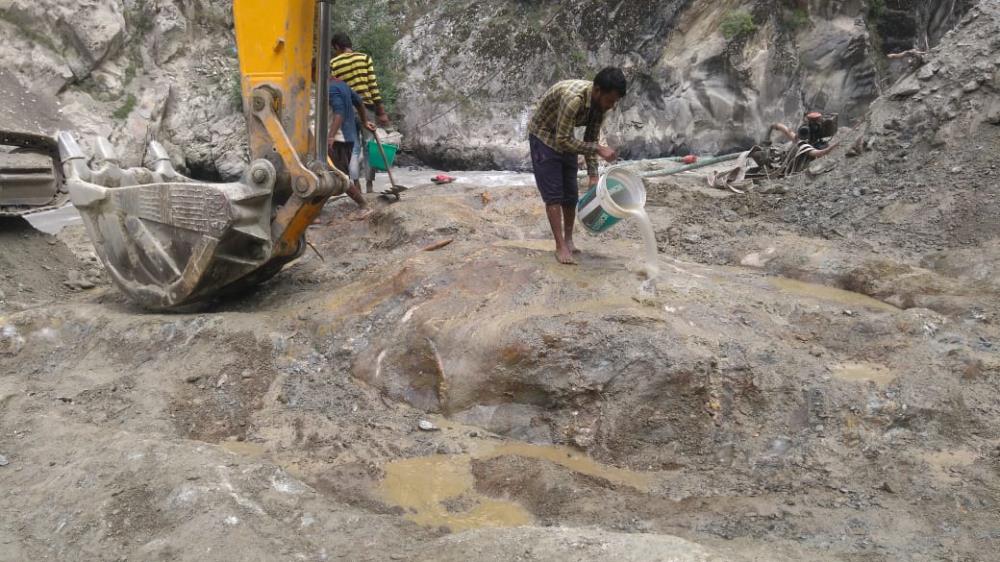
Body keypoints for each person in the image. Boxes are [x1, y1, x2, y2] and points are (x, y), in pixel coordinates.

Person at [528, 67, 625, 265]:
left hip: (564, 136)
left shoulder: (600, 107)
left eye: (615, 102)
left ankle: (569, 240)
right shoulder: (573, 99)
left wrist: (593, 174)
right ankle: (560, 245)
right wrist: (598, 149)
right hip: (544, 135)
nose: (611, 106)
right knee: (554, 194)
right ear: (597, 90)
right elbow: (564, 141)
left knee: (570, 193)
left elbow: (590, 137)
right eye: (610, 100)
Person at [330, 33, 390, 194]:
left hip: (347, 112)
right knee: (369, 147)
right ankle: (370, 186)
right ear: (350, 44)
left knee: (354, 148)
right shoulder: (364, 58)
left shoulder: (334, 63)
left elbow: (336, 88)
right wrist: (381, 111)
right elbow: (373, 86)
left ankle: (356, 185)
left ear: (336, 46)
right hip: (367, 109)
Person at [328, 77, 376, 220]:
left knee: (337, 174)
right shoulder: (341, 84)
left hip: (338, 138)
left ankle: (363, 205)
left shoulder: (330, 88)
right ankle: (362, 202)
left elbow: (339, 112)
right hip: (348, 137)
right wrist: (364, 121)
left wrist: (330, 136)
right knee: (336, 173)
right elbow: (359, 102)